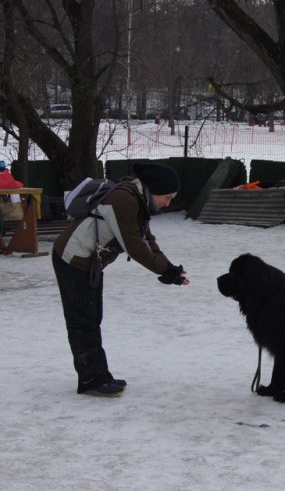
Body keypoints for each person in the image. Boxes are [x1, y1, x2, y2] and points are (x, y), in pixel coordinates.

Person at [52, 163, 189, 397]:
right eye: (167, 197)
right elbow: (135, 247)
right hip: (72, 260)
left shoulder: (137, 199)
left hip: (89, 262)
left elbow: (147, 239)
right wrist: (165, 270)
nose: (168, 203)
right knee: (83, 321)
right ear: (153, 189)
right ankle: (91, 380)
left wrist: (171, 270)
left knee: (92, 317)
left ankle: (99, 374)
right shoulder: (123, 200)